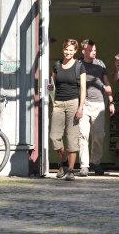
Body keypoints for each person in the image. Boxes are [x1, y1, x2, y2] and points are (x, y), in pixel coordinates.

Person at [48, 39, 86, 181]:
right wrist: (50, 87)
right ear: (63, 49)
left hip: (73, 103)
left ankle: (70, 170)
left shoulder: (79, 66)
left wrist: (81, 107)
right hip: (58, 103)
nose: (68, 52)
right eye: (66, 49)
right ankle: (63, 161)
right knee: (54, 136)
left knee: (71, 138)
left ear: (75, 51)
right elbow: (53, 83)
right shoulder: (57, 65)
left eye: (71, 50)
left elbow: (83, 88)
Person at [77, 39, 115, 177]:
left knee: (99, 135)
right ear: (84, 51)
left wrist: (111, 101)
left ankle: (95, 161)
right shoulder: (78, 64)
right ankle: (84, 165)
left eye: (95, 50)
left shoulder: (100, 64)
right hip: (83, 103)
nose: (94, 52)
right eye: (91, 50)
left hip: (99, 104)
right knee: (83, 134)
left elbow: (106, 83)